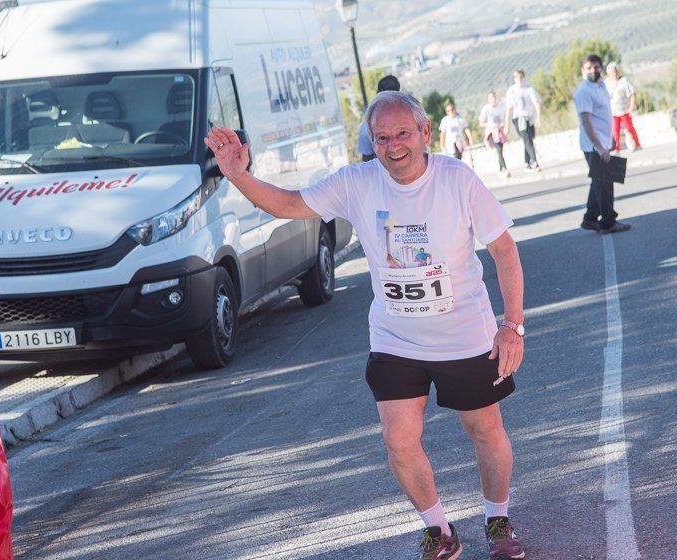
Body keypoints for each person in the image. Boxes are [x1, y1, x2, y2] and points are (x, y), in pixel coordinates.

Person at [205, 91, 527, 560]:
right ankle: (439, 530)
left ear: (425, 133)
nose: (393, 145)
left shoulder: (457, 180)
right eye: (382, 137)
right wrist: (238, 175)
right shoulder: (357, 182)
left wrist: (511, 326)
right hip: (396, 338)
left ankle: (497, 521)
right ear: (371, 141)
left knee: (484, 430)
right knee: (398, 438)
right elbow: (289, 204)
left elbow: (505, 250)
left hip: (464, 336)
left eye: (402, 134)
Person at [574, 54, 632, 234]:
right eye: (589, 68)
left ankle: (590, 219)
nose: (593, 71)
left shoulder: (601, 86)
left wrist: (610, 139)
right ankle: (608, 222)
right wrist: (599, 147)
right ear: (582, 70)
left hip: (603, 143)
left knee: (598, 182)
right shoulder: (583, 91)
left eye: (596, 67)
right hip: (594, 146)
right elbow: (586, 122)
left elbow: (604, 115)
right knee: (605, 184)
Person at [358, 75, 401, 162]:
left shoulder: (367, 126)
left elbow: (367, 160)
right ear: (399, 92)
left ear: (378, 93)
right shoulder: (412, 117)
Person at [504, 70, 541, 171]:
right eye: (517, 78)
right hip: (519, 118)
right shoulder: (511, 91)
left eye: (521, 77)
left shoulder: (529, 89)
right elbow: (509, 108)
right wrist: (506, 125)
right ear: (514, 79)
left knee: (528, 139)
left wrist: (538, 117)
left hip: (529, 117)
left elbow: (536, 103)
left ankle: (526, 162)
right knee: (527, 139)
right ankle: (534, 162)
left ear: (524, 78)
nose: (519, 80)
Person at [604, 62, 642, 152]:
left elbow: (632, 93)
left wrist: (631, 107)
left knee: (629, 128)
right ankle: (616, 149)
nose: (614, 73)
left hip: (624, 110)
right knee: (615, 130)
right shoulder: (606, 82)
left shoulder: (624, 81)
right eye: (612, 72)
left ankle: (637, 144)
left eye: (615, 71)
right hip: (613, 111)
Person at [480, 91, 509, 177]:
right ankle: (505, 169)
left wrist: (503, 124)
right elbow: (481, 123)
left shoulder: (501, 106)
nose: (493, 99)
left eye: (494, 97)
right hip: (491, 133)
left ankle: (500, 170)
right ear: (488, 99)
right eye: (491, 97)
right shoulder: (486, 109)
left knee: (500, 150)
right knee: (499, 149)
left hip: (500, 132)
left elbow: (505, 117)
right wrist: (490, 124)